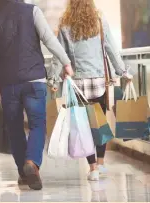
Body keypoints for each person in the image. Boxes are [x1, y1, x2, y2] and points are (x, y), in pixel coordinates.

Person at [0, 0, 72, 190]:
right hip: (34, 79)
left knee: (14, 129)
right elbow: (49, 39)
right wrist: (66, 63)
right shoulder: (32, 11)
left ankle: (24, 174)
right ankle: (32, 162)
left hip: (8, 84)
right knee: (37, 124)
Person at [48, 0, 133, 181]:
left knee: (83, 127)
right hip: (98, 82)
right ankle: (101, 164)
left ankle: (92, 167)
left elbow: (59, 54)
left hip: (77, 84)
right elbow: (110, 48)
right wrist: (123, 71)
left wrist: (53, 78)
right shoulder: (99, 19)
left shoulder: (65, 24)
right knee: (99, 123)